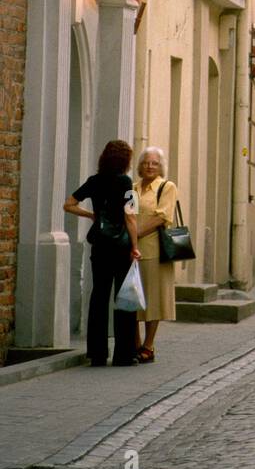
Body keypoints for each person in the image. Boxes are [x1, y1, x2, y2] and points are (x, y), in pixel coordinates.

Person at [63, 139, 140, 367]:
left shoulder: (94, 181)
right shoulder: (127, 182)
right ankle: (124, 354)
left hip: (100, 246)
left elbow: (68, 204)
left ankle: (97, 353)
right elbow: (131, 217)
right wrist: (135, 247)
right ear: (126, 160)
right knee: (124, 298)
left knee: (99, 296)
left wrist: (91, 216)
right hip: (121, 247)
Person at [131, 148, 177, 362]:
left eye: (154, 163)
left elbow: (162, 217)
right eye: (146, 163)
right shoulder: (131, 189)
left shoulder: (166, 187)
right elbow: (127, 214)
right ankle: (135, 343)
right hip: (132, 251)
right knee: (132, 299)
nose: (149, 166)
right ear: (140, 166)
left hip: (155, 251)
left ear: (161, 167)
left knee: (153, 301)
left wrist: (136, 234)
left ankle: (148, 346)